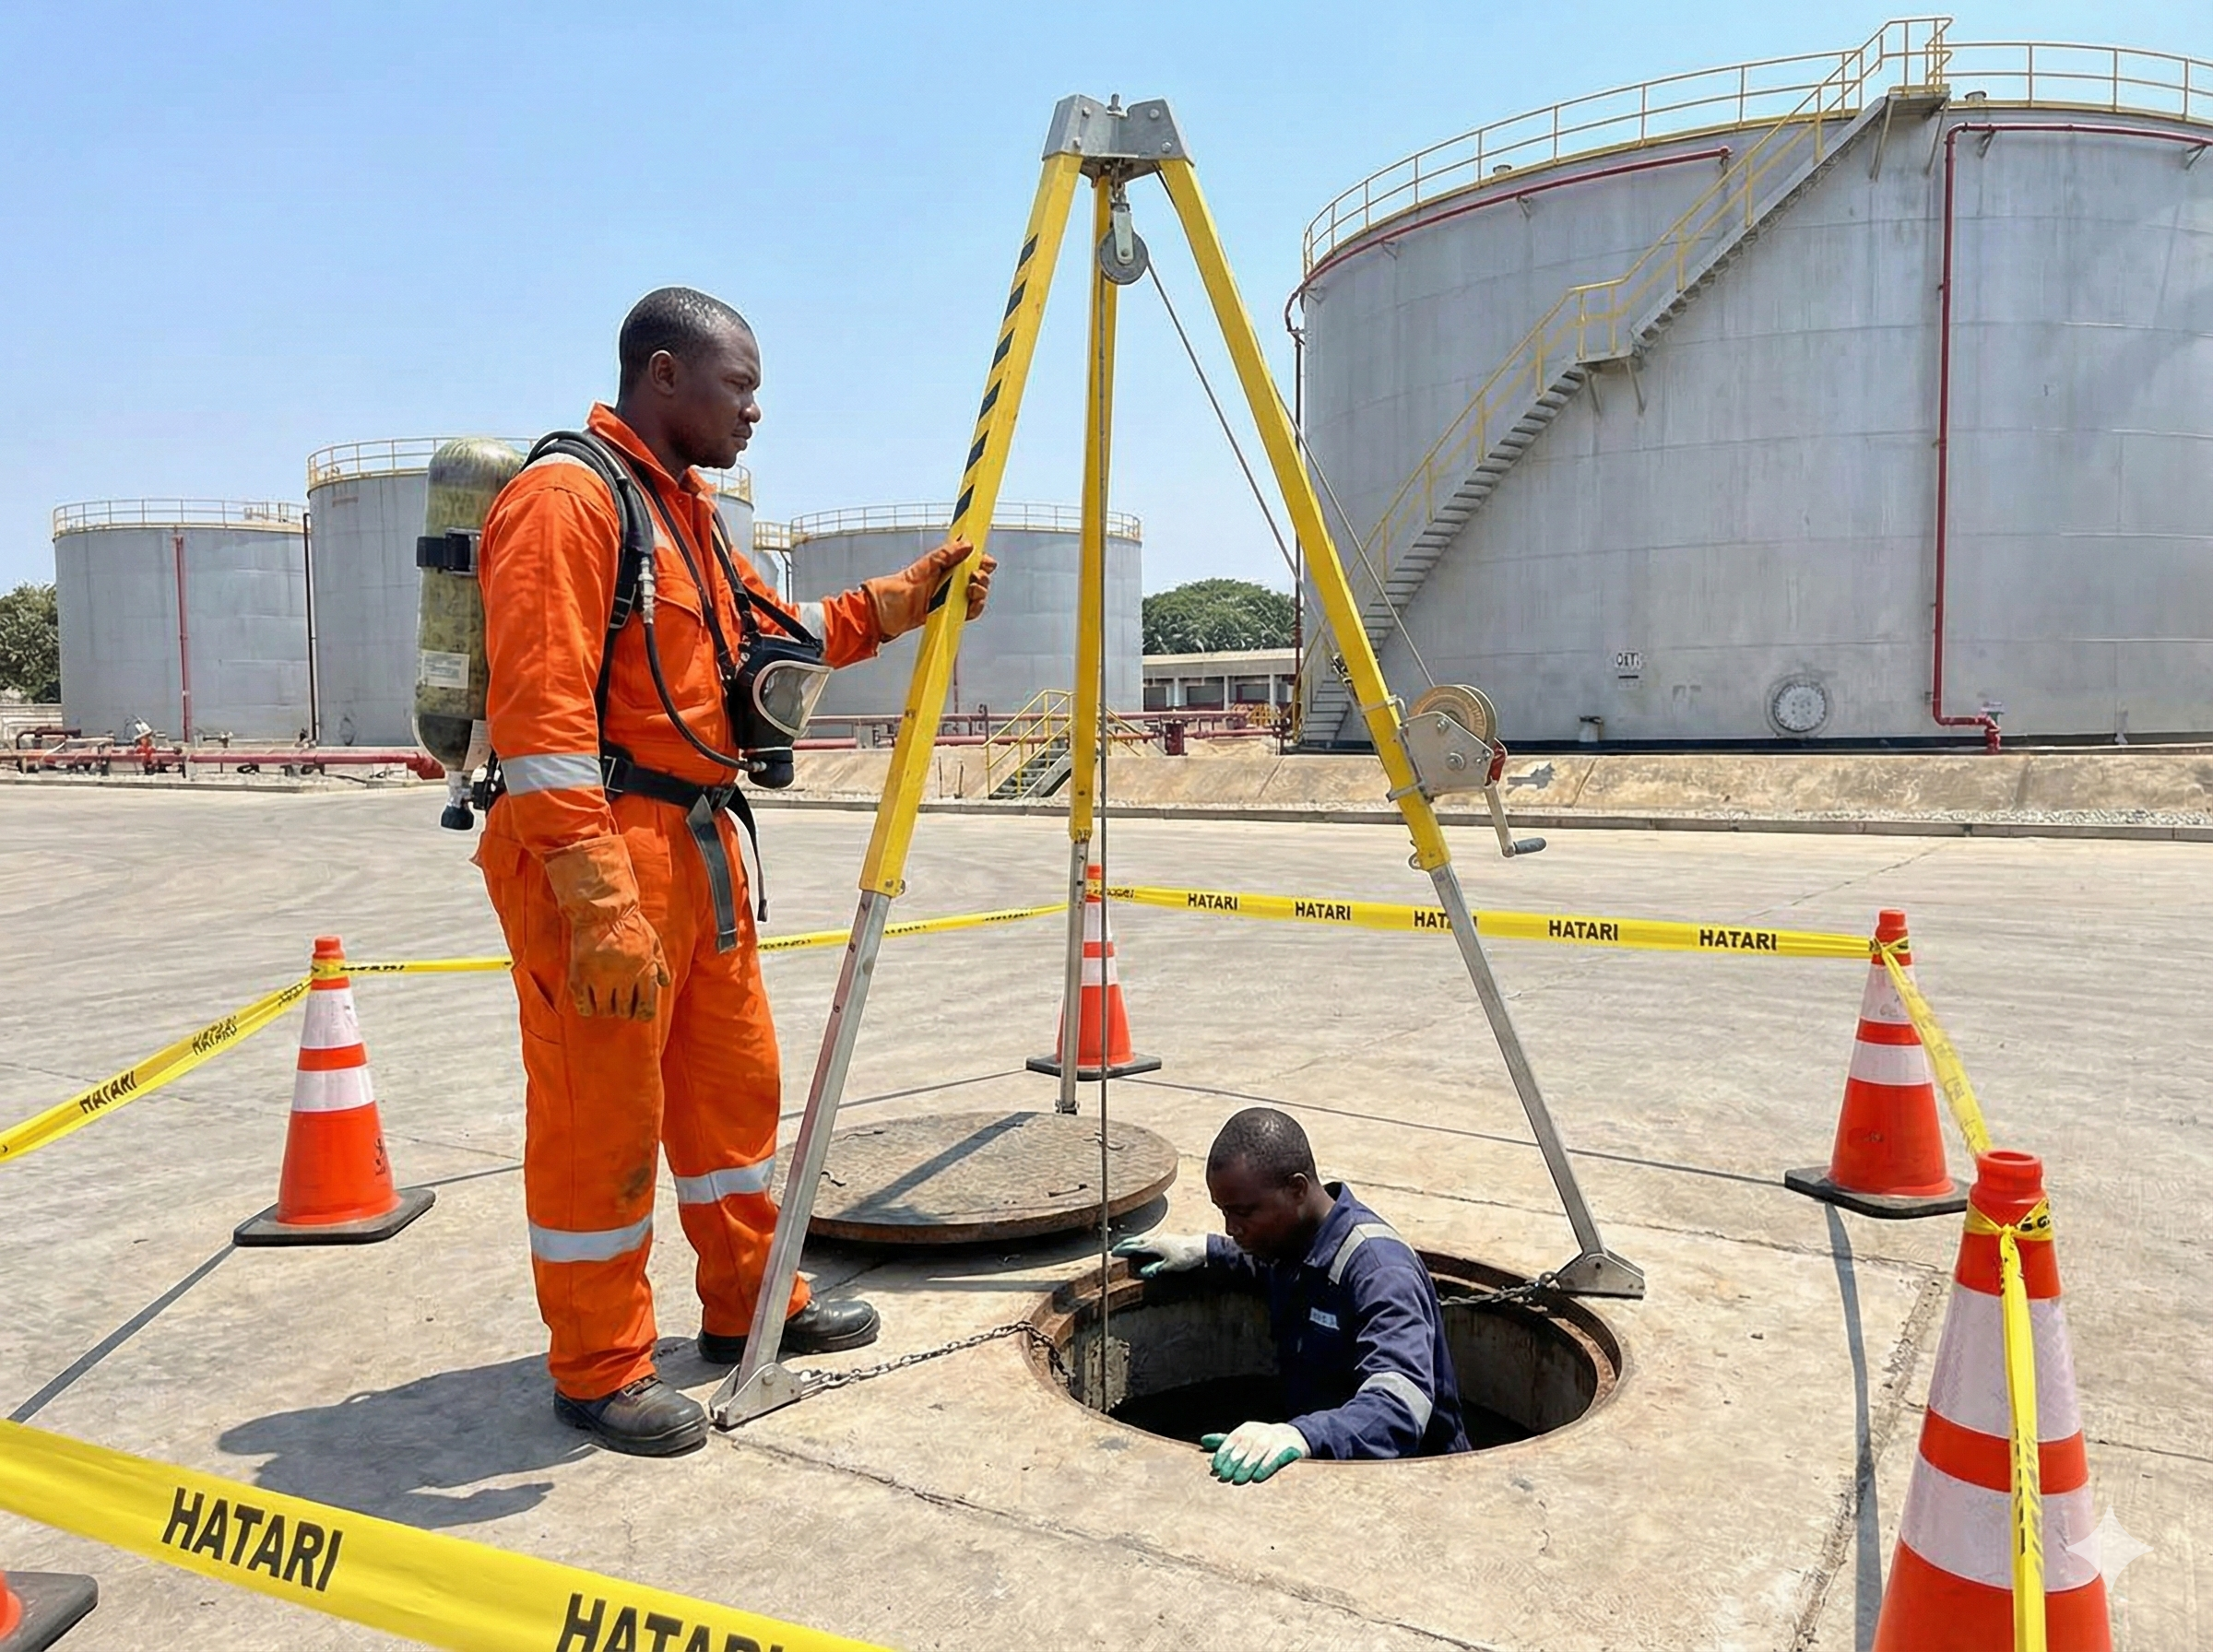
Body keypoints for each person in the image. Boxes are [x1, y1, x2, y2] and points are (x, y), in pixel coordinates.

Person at [476, 286, 995, 1457]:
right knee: (600, 1119)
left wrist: (911, 599)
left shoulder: (691, 519)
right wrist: (598, 901)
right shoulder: (567, 500)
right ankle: (601, 1366)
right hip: (601, 853)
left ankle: (749, 1300)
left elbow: (778, 638)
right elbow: (540, 722)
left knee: (734, 1093)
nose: (755, 411)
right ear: (664, 375)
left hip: (700, 845)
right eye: (740, 386)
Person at [1113, 1107, 1472, 1482]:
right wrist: (1205, 1250)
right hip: (1329, 1462)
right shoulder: (1296, 1241)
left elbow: (1400, 1407)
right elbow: (1272, 1267)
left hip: (1414, 1481)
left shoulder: (1381, 1273)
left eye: (1243, 1212)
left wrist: (1302, 1435)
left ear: (1297, 1189)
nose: (1232, 1228)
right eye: (1223, 1212)